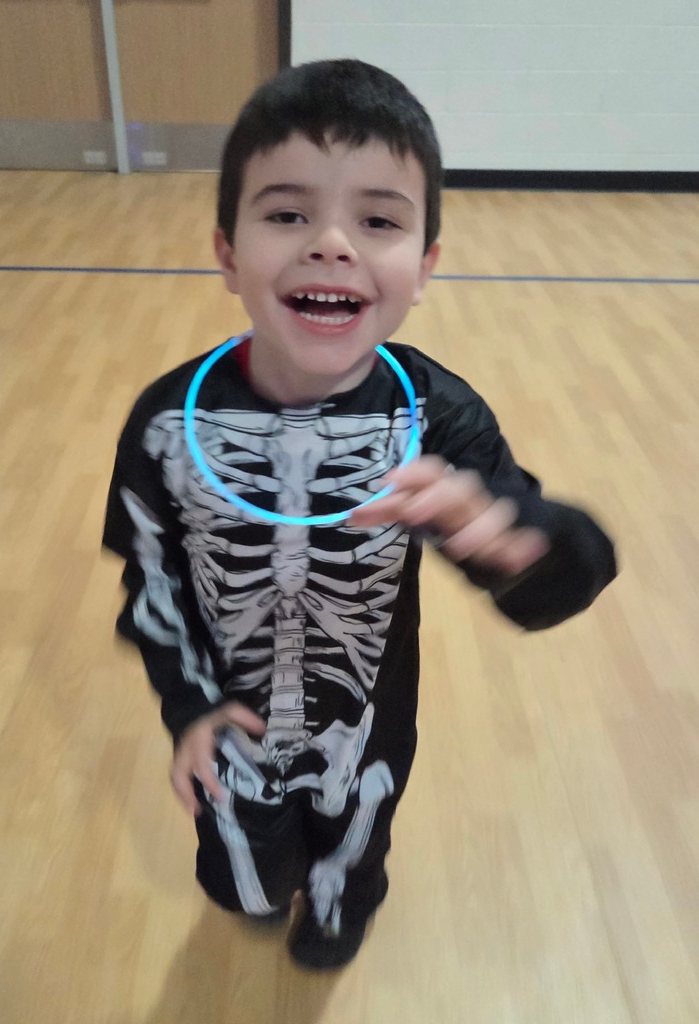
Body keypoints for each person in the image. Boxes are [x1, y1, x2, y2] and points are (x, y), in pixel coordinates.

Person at [103, 58, 616, 970]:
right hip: (230, 725)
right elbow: (152, 582)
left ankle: (338, 908)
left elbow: (566, 575)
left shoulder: (432, 413)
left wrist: (500, 528)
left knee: (353, 843)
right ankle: (261, 890)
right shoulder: (165, 424)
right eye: (286, 213)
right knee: (241, 876)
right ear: (227, 251)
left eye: (375, 220)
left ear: (422, 268)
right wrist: (187, 707)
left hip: (363, 732)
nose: (331, 243)